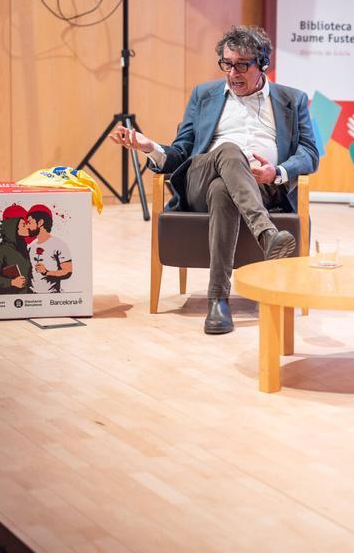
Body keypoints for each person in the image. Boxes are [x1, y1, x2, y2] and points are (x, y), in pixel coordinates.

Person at [110, 25, 320, 335]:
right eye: (227, 63)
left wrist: (276, 172)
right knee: (229, 151)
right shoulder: (204, 95)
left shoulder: (292, 99)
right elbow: (181, 153)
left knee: (225, 190)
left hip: (263, 189)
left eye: (242, 64)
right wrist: (149, 147)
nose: (233, 72)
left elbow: (310, 153)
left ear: (263, 63)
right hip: (200, 182)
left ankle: (218, 301)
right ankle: (267, 235)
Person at [27, 204, 73, 294]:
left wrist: (47, 272)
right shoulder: (31, 246)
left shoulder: (58, 244)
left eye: (30, 222)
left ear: (40, 222)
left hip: (52, 298)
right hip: (32, 299)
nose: (28, 226)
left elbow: (68, 271)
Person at [0, 204, 32, 294]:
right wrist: (12, 282)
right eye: (23, 225)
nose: (27, 227)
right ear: (13, 227)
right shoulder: (2, 250)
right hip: (6, 299)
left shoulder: (23, 248)